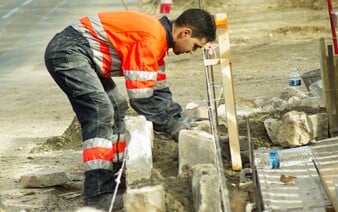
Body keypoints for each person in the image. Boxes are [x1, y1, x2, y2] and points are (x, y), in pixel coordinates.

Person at [44, 8, 216, 210]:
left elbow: (159, 93)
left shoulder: (157, 43)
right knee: (101, 112)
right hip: (68, 52)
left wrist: (180, 120)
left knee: (117, 107)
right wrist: (172, 127)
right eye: (196, 46)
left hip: (82, 54)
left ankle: (116, 176)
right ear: (185, 33)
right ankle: (98, 192)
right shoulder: (150, 38)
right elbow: (141, 100)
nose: (192, 51)